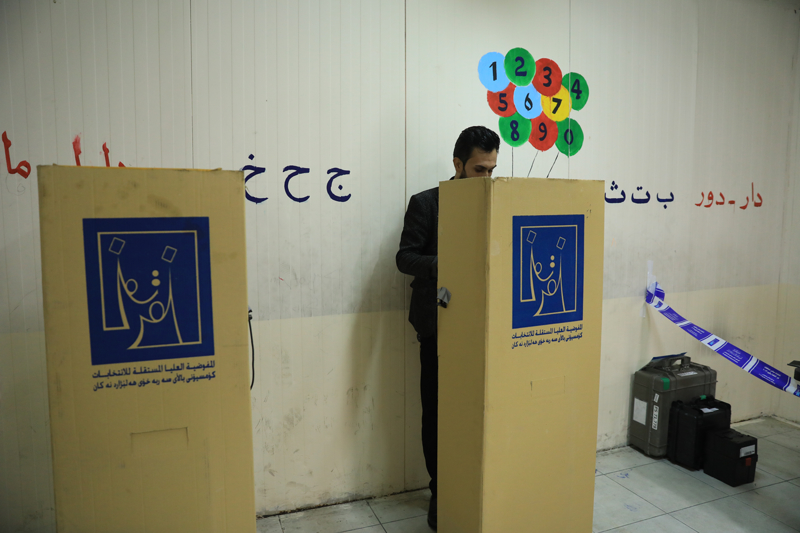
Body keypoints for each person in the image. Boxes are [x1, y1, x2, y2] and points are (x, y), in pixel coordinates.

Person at [395, 126, 499, 530]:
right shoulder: (427, 203)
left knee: (477, 413)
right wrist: (447, 263)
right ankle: (440, 492)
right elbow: (405, 258)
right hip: (438, 324)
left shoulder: (497, 201)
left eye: (491, 170)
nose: (486, 178)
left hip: (484, 327)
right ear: (458, 164)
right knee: (437, 413)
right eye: (479, 169)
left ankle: (474, 486)